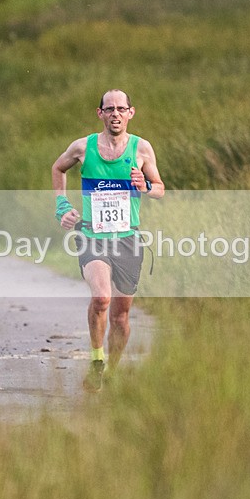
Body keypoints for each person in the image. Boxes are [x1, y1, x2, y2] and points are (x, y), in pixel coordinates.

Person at [51, 89, 165, 392]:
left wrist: (145, 185)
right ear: (100, 113)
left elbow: (160, 188)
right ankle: (97, 361)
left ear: (131, 113)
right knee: (101, 298)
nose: (115, 114)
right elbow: (57, 168)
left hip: (128, 239)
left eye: (121, 109)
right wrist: (61, 206)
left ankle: (112, 372)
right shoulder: (82, 148)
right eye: (109, 109)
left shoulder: (142, 149)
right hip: (92, 236)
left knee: (121, 316)